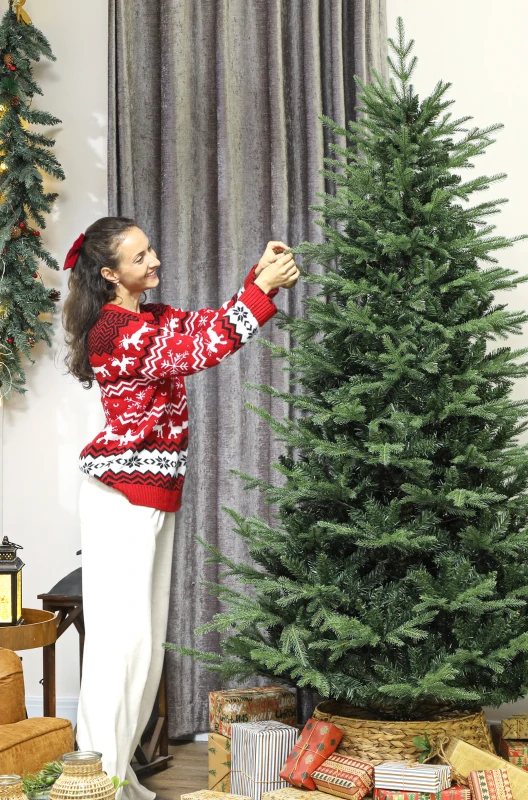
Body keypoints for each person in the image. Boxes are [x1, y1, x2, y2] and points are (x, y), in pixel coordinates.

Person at [61, 217, 299, 800]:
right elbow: (200, 348)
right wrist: (262, 289)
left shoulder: (149, 318)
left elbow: (202, 326)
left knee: (145, 645)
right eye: (141, 257)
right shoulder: (114, 332)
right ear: (109, 274)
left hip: (150, 496)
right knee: (122, 645)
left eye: (152, 248)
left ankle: (115, 778)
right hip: (121, 500)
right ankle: (93, 782)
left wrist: (254, 276)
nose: (156, 260)